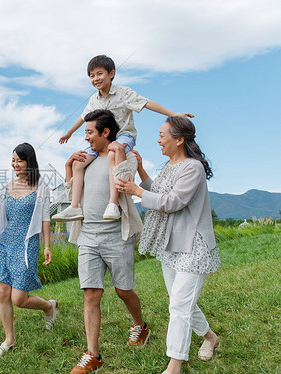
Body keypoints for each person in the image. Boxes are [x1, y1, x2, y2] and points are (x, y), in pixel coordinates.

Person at [116, 116, 221, 374]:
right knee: (179, 301)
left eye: (163, 135)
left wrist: (136, 191)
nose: (158, 139)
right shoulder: (169, 166)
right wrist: (140, 171)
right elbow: (158, 191)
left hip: (193, 245)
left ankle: (174, 365)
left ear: (179, 139)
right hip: (171, 244)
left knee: (179, 305)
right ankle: (210, 337)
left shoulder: (193, 168)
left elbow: (173, 201)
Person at [54, 54, 193, 223]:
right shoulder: (93, 99)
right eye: (91, 76)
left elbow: (146, 103)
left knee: (114, 152)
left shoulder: (123, 93)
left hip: (123, 136)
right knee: (78, 162)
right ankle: (75, 206)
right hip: (101, 139)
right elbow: (83, 117)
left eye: (99, 74)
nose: (95, 79)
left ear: (111, 74)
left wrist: (174, 114)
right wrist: (69, 132)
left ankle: (113, 204)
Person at [65, 110, 148, 374]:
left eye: (90, 132)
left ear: (105, 133)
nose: (86, 137)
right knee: (91, 294)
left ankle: (140, 325)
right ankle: (93, 355)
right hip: (88, 235)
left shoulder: (126, 156)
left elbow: (125, 181)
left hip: (116, 235)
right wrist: (69, 167)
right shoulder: (85, 161)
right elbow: (71, 195)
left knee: (123, 291)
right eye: (85, 132)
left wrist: (120, 152)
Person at [0, 143, 57, 358]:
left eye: (19, 160)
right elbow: (3, 217)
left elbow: (45, 219)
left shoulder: (41, 187)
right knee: (3, 293)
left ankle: (48, 307)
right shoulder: (7, 187)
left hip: (27, 244)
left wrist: (47, 246)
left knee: (19, 298)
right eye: (13, 160)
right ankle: (9, 339)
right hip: (6, 243)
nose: (15, 164)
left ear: (30, 161)